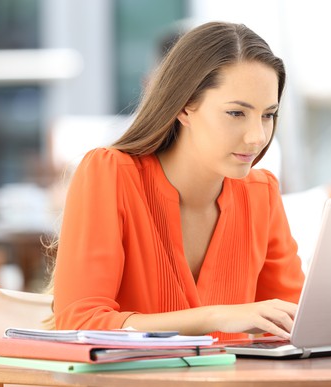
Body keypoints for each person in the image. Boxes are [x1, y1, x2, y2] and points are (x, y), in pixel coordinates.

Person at [47, 21, 305, 341]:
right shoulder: (110, 174)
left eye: (268, 115)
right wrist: (216, 316)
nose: (257, 137)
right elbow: (78, 323)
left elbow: (295, 322)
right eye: (237, 113)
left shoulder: (261, 193)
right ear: (184, 107)